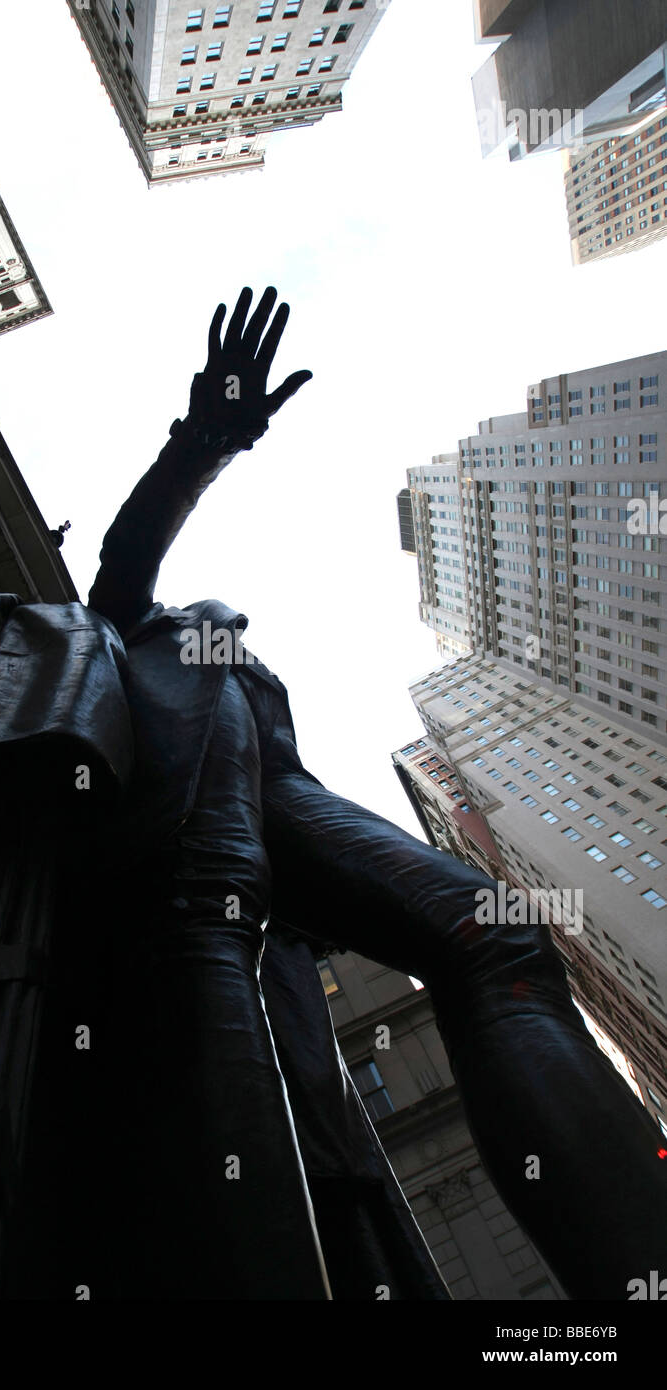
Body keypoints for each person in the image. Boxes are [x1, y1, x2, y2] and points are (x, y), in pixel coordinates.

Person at [85, 287, 667, 1300]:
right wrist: (202, 442)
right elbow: (120, 569)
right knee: (479, 943)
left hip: (282, 814)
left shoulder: (237, 674)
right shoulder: (133, 637)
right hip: (200, 827)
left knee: (499, 936)